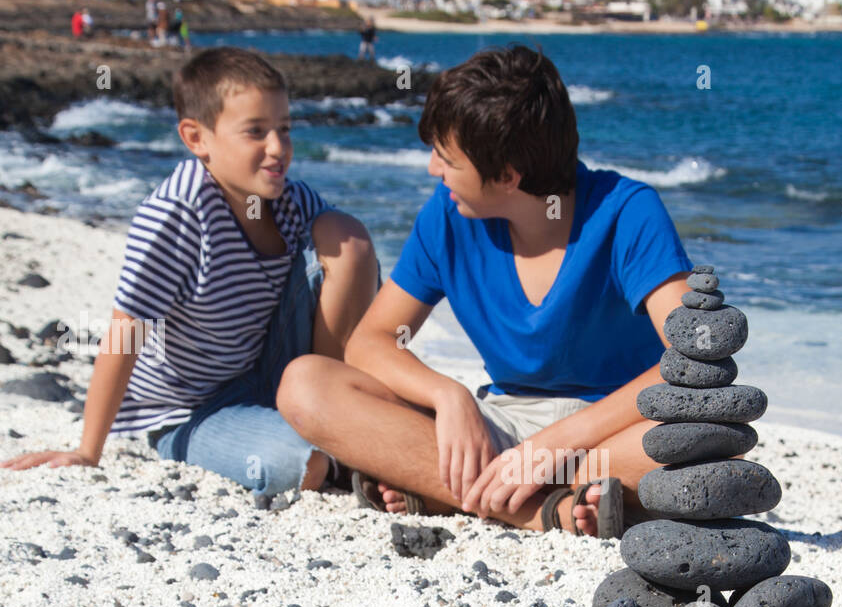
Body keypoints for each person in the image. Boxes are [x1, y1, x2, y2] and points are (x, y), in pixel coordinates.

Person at [276, 44, 693, 537]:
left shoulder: (629, 212)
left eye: (446, 158)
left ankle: (444, 488)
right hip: (500, 424)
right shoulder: (448, 215)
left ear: (507, 176)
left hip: (609, 432)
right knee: (304, 385)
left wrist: (554, 446)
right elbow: (372, 341)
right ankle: (541, 511)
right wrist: (450, 397)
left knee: (713, 442)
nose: (434, 169)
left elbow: (691, 363)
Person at [2, 48, 377, 497]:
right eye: (255, 132)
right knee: (301, 464)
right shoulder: (176, 215)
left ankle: (332, 407)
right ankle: (337, 447)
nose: (278, 148)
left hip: (273, 369)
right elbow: (126, 332)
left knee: (348, 239)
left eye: (284, 129)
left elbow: (358, 287)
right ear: (196, 138)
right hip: (195, 410)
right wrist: (88, 450)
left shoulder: (290, 200)